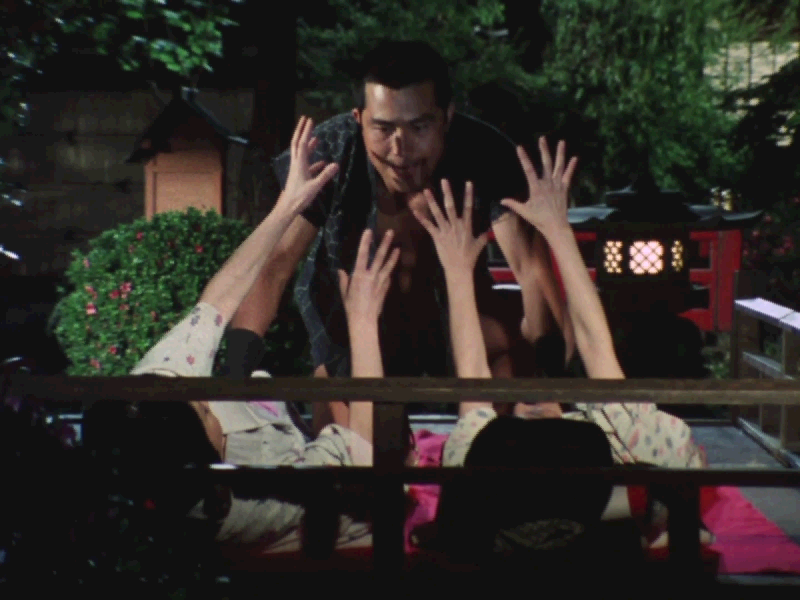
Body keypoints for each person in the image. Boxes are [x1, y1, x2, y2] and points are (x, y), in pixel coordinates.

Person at [222, 40, 576, 434]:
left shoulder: (485, 153)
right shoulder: (331, 150)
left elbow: (532, 270)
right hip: (351, 325)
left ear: (446, 118)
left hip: (454, 314)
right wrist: (233, 377)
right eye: (383, 128)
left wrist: (549, 378)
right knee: (352, 444)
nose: (400, 149)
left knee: (508, 366)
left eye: (419, 127)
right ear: (359, 118)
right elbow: (274, 266)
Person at [87, 117, 405, 553]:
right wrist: (364, 321)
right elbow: (361, 450)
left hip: (277, 427)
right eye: (202, 408)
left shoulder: (152, 397)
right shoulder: (250, 502)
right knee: (344, 392)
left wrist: (288, 205)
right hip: (342, 513)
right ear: (209, 455)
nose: (202, 394)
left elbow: (215, 304)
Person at [410, 138, 711, 550]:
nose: (533, 398)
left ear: (568, 407)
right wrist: (458, 270)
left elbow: (594, 348)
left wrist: (555, 231)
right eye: (526, 396)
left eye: (538, 393)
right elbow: (475, 378)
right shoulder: (486, 440)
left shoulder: (609, 430)